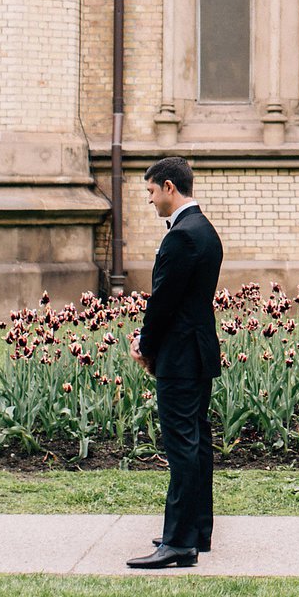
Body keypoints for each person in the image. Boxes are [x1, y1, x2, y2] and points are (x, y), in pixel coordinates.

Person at [126, 156, 224, 570]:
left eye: (150, 192)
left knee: (182, 446)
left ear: (169, 187)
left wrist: (144, 344)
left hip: (180, 358)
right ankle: (196, 529)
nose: (149, 201)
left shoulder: (182, 236)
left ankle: (180, 543)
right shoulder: (204, 230)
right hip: (198, 352)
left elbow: (163, 302)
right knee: (197, 444)